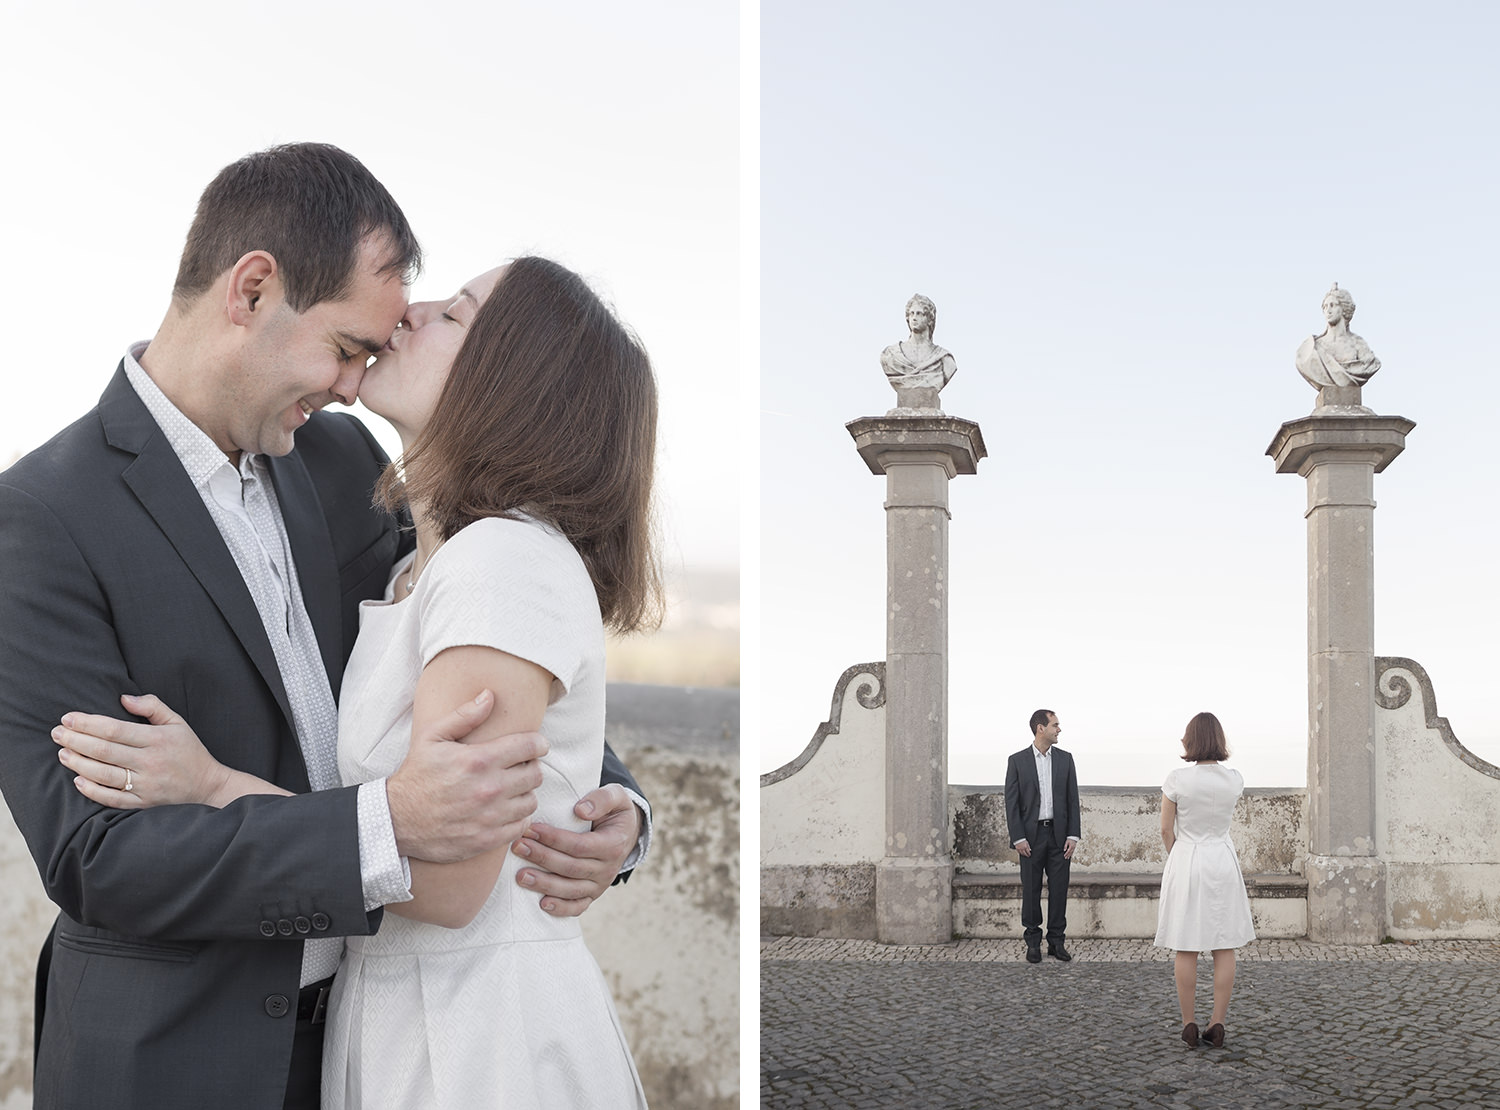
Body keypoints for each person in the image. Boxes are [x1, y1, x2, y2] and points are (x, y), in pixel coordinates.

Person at [0, 144, 646, 1110]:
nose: (352, 386)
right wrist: (387, 826)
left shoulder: (340, 461)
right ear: (252, 291)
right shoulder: (40, 518)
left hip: (372, 1042)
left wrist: (615, 805)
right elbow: (94, 857)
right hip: (174, 1062)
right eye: (347, 348)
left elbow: (481, 638)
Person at [1153, 711, 1256, 1049]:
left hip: (1189, 857)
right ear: (1220, 740)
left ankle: (1188, 1023)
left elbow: (1167, 829)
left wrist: (1179, 857)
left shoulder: (1178, 780)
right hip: (1222, 860)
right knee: (1223, 944)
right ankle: (1218, 1022)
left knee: (1187, 944)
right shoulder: (1234, 779)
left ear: (1190, 740)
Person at [1003, 709, 1080, 963]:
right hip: (1030, 838)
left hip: (1059, 837)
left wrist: (1073, 835)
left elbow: (1072, 799)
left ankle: (1056, 943)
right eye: (1055, 725)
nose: (1059, 729)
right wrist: (1018, 837)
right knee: (1032, 891)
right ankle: (1033, 943)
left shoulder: (1066, 759)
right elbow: (1011, 803)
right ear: (1040, 728)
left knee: (1059, 892)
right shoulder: (1017, 761)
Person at [1294, 282, 1381, 390]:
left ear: (1344, 308)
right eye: (1325, 307)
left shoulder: (1358, 344)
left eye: (1333, 305)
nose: (1328, 311)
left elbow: (1370, 364)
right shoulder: (1312, 348)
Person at [879, 293, 957, 392]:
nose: (914, 318)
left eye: (919, 313)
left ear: (929, 319)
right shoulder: (890, 355)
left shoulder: (944, 359)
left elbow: (949, 368)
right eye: (911, 313)